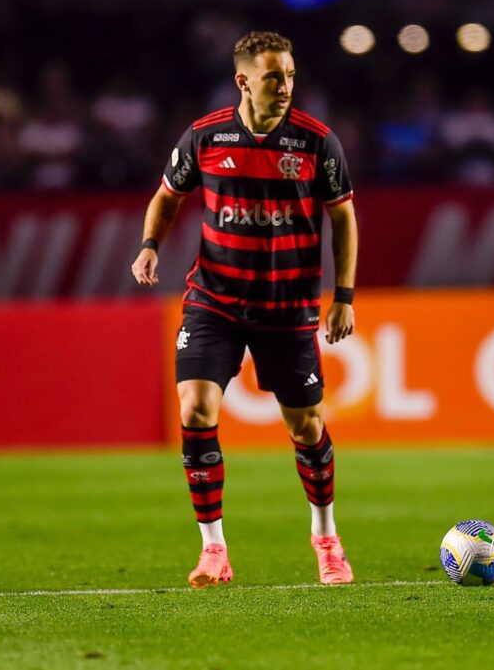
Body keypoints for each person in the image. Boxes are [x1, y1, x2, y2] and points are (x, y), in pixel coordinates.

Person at [130, 31, 358, 588]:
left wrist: (344, 296)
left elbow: (344, 218)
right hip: (214, 300)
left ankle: (326, 538)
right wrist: (150, 245)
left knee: (306, 428)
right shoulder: (205, 136)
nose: (284, 87)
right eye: (273, 76)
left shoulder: (316, 142)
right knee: (195, 410)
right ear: (244, 80)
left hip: (287, 308)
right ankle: (213, 551)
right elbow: (167, 194)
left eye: (290, 76)